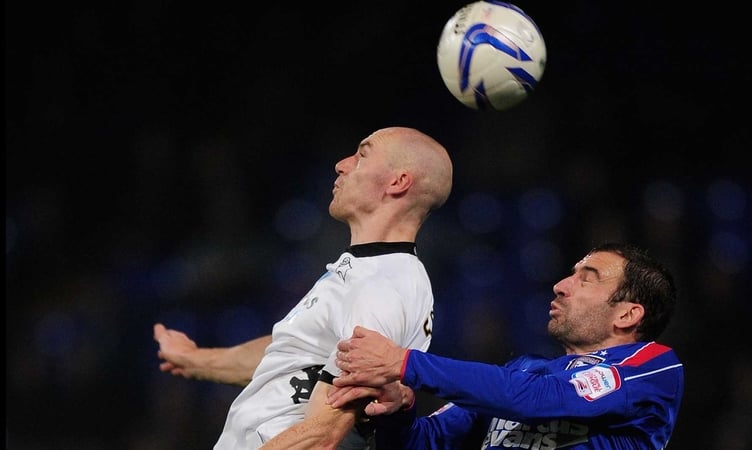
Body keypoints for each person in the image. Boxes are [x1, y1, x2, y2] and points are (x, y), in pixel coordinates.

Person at [153, 126, 454, 449]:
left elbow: (322, 435)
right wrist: (194, 359)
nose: (342, 164)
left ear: (398, 182)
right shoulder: (367, 271)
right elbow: (292, 353)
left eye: (362, 155)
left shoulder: (384, 285)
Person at [329, 242, 684, 449]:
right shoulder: (524, 371)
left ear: (627, 315)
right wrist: (397, 411)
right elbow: (425, 442)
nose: (561, 285)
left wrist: (406, 363)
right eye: (570, 275)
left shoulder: (652, 367)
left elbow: (538, 399)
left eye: (586, 280)